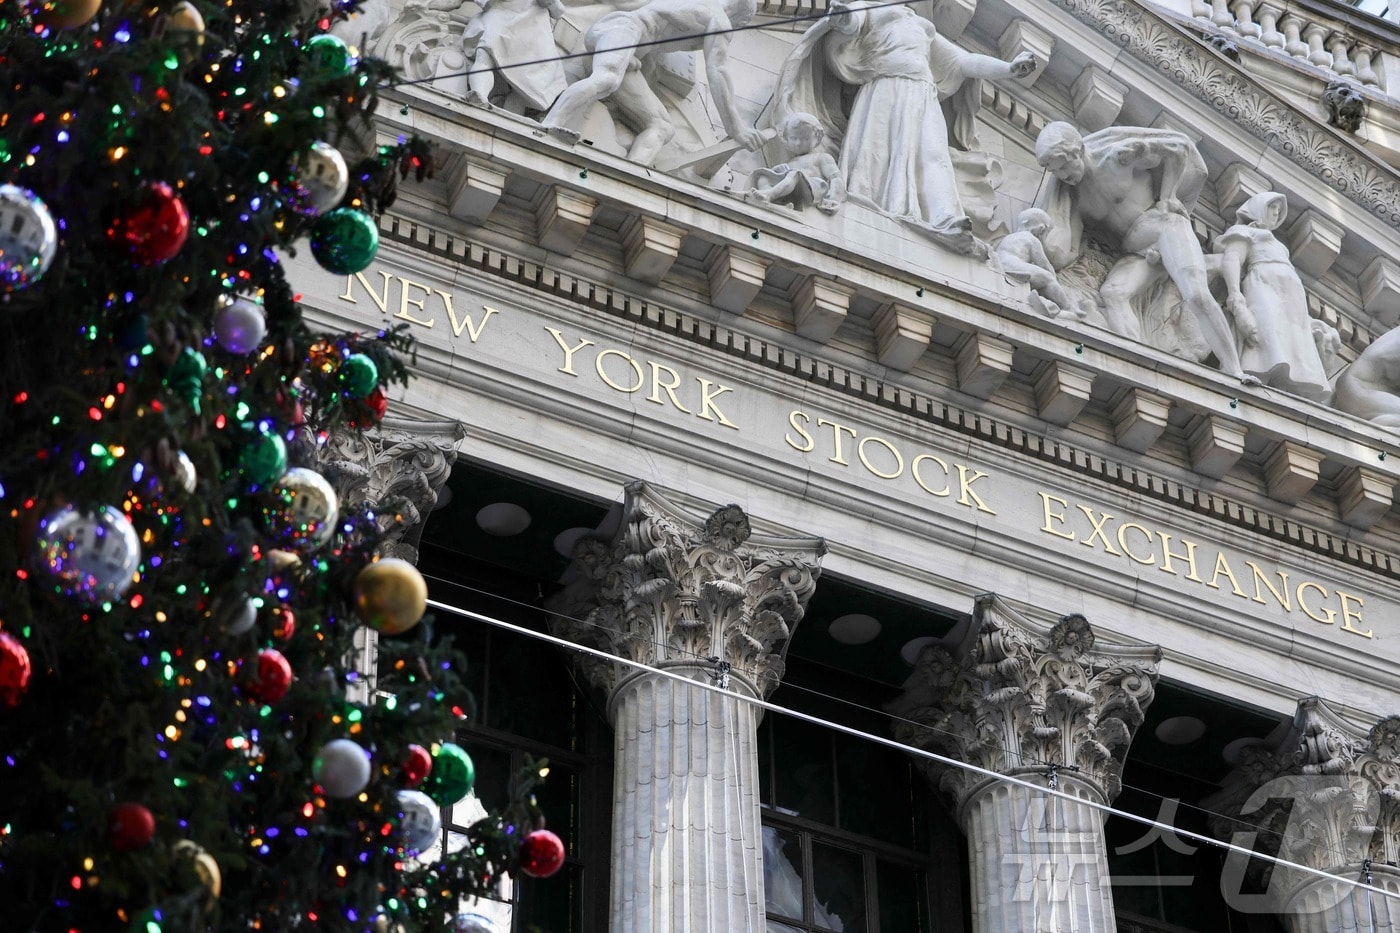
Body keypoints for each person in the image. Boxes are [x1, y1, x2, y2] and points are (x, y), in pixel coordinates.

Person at [771, 0, 1035, 255]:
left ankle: (945, 217)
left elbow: (964, 62)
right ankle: (869, 204)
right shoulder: (871, 7)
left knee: (934, 156)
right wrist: (843, 18)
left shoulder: (922, 25)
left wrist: (1009, 69)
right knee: (878, 154)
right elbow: (852, 21)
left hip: (922, 92)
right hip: (886, 86)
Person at [1034, 121, 1260, 384]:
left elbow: (1178, 150)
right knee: (1113, 294)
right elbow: (1070, 252)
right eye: (1055, 171)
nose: (1063, 175)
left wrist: (1168, 196)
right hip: (1136, 249)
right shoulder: (1076, 197)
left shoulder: (1117, 156)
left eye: (1063, 165)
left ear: (1078, 150)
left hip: (1165, 228)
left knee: (1197, 294)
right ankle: (1138, 364)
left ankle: (1234, 371)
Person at [540, 0, 766, 167]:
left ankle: (630, 172)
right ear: (740, 18)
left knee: (662, 126)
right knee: (606, 80)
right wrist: (737, 129)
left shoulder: (696, 7)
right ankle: (549, 125)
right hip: (622, 31)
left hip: (627, 50)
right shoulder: (718, 19)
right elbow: (718, 70)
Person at [1214, 192, 1330, 400]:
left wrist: (1309, 319)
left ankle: (1282, 395)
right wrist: (1235, 295)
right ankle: (1252, 383)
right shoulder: (1244, 231)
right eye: (1272, 207)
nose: (1276, 213)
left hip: (1291, 299)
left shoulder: (1280, 246)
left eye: (1279, 209)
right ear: (1258, 208)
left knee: (1290, 346)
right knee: (1265, 337)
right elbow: (1231, 259)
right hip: (1263, 286)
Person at [462, 0, 568, 112]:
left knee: (528, 83)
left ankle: (511, 115)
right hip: (501, 17)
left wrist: (550, 2)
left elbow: (559, 12)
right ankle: (479, 94)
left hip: (532, 32)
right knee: (485, 55)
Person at [995, 208, 1092, 319]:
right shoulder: (1032, 239)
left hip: (1001, 264)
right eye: (1047, 232)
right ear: (1042, 230)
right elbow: (1044, 264)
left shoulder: (1009, 237)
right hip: (1013, 265)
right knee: (1047, 277)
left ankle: (1051, 305)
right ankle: (1068, 307)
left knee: (1043, 278)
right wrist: (1053, 279)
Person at [746, 112, 846, 213]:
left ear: (818, 139)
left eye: (805, 139)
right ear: (787, 138)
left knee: (795, 174)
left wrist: (834, 199)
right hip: (792, 188)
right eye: (793, 138)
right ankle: (773, 199)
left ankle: (770, 194)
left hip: (813, 189)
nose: (798, 143)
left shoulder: (822, 157)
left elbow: (836, 177)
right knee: (764, 176)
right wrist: (777, 172)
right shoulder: (791, 161)